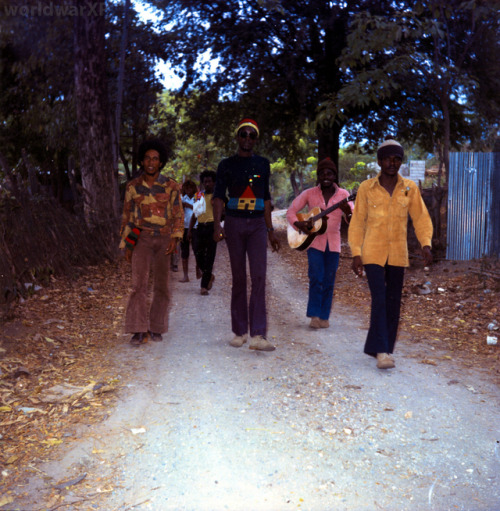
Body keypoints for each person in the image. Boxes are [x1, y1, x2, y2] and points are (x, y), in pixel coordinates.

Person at [348, 137, 433, 369]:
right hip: (372, 252)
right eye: (388, 159)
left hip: (397, 253)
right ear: (379, 161)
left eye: (397, 159)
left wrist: (426, 243)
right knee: (379, 297)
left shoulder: (409, 188)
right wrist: (356, 253)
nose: (392, 164)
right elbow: (357, 223)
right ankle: (383, 351)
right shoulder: (366, 188)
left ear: (400, 162)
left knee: (394, 301)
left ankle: (377, 346)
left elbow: (421, 217)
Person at [213, 118, 280, 351]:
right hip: (234, 223)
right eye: (244, 135)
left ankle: (258, 335)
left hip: (258, 226)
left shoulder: (263, 164)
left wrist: (270, 230)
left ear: (256, 140)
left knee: (259, 276)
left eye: (252, 136)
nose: (247, 139)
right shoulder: (226, 165)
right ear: (237, 137)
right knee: (239, 277)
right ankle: (239, 331)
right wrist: (216, 225)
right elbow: (219, 197)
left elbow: (266, 198)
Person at [119, 138, 184, 346]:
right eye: (147, 158)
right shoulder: (132, 187)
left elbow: (178, 215)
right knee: (139, 285)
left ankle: (156, 327)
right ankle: (138, 329)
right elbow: (127, 217)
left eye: (155, 159)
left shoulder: (171, 186)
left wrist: (175, 238)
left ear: (161, 162)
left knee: (162, 286)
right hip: (141, 238)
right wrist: (128, 245)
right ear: (142, 161)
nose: (150, 162)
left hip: (164, 238)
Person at [286, 157, 353, 329]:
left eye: (329, 173)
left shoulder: (344, 195)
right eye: (322, 173)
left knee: (329, 280)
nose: (326, 176)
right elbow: (291, 211)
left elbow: (353, 220)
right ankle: (314, 316)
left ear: (334, 176)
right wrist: (298, 224)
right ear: (318, 176)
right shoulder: (309, 193)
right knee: (316, 277)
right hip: (314, 243)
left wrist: (348, 213)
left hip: (334, 243)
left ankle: (324, 316)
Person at [189, 170, 218, 295]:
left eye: (210, 181)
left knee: (210, 257)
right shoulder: (199, 196)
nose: (207, 184)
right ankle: (209, 275)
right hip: (200, 228)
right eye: (205, 182)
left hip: (212, 228)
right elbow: (195, 214)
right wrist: (189, 230)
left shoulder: (218, 197)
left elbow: (224, 213)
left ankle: (204, 286)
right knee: (198, 253)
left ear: (214, 182)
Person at [179, 179, 199, 283]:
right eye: (186, 188)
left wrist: (188, 205)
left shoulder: (198, 198)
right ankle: (185, 275)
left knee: (197, 250)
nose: (188, 190)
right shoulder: (182, 198)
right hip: (184, 227)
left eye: (190, 188)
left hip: (195, 227)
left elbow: (199, 210)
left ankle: (198, 270)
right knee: (184, 252)